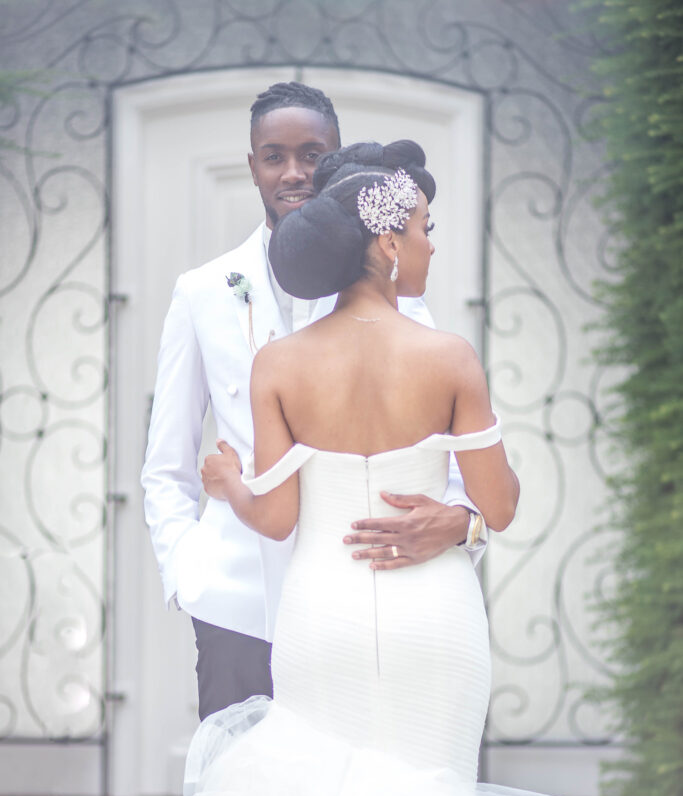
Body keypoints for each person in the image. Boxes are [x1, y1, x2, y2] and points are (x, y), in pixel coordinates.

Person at [49, 141, 647, 796]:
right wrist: (457, 514)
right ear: (387, 245)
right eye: (424, 228)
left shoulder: (279, 364)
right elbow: (499, 505)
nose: (431, 244)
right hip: (433, 618)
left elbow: (277, 518)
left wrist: (227, 484)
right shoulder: (450, 357)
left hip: (319, 615)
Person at [141, 82, 487, 722]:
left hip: (359, 597)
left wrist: (464, 520)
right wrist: (187, 574)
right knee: (239, 777)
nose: (294, 172)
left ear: (334, 162)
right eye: (275, 156)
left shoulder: (393, 290)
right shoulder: (202, 291)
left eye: (311, 154)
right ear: (252, 166)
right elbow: (166, 461)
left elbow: (453, 435)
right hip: (238, 606)